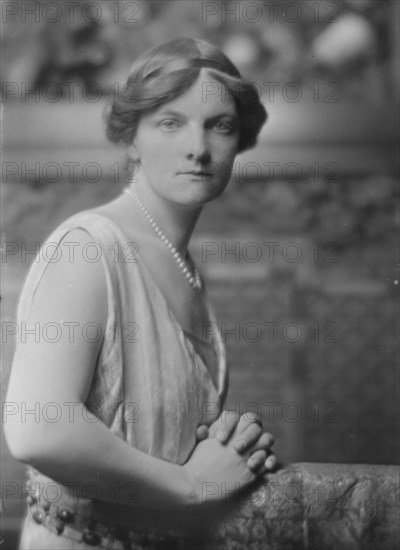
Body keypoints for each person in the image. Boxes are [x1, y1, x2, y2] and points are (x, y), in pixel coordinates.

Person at [5, 37, 276, 549]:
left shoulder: (183, 266)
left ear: (239, 140)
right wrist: (193, 486)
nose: (197, 148)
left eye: (219, 125)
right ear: (131, 139)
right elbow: (37, 428)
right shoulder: (89, 248)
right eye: (170, 123)